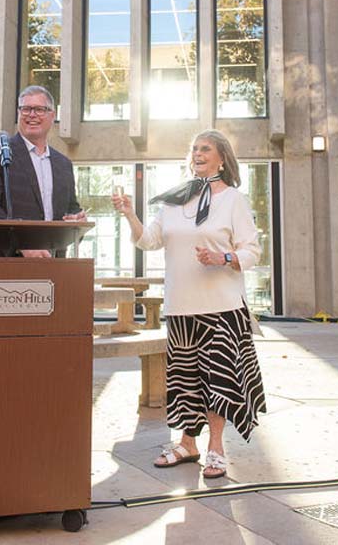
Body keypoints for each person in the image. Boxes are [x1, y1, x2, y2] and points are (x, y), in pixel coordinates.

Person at [111, 130, 264, 480]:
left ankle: (216, 448)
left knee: (218, 379)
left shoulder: (233, 200)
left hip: (222, 307)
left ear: (222, 159)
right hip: (181, 306)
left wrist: (224, 257)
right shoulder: (174, 200)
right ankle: (187, 444)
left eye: (205, 149)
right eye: (194, 148)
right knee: (184, 380)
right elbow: (149, 241)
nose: (197, 153)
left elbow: (252, 251)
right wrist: (130, 215)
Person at [0, 85, 86, 256]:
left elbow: (70, 209)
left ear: (52, 115)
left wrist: (77, 221)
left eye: (39, 109)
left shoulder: (64, 164)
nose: (32, 115)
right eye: (26, 109)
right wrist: (22, 244)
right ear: (19, 113)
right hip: (1, 262)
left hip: (51, 263)